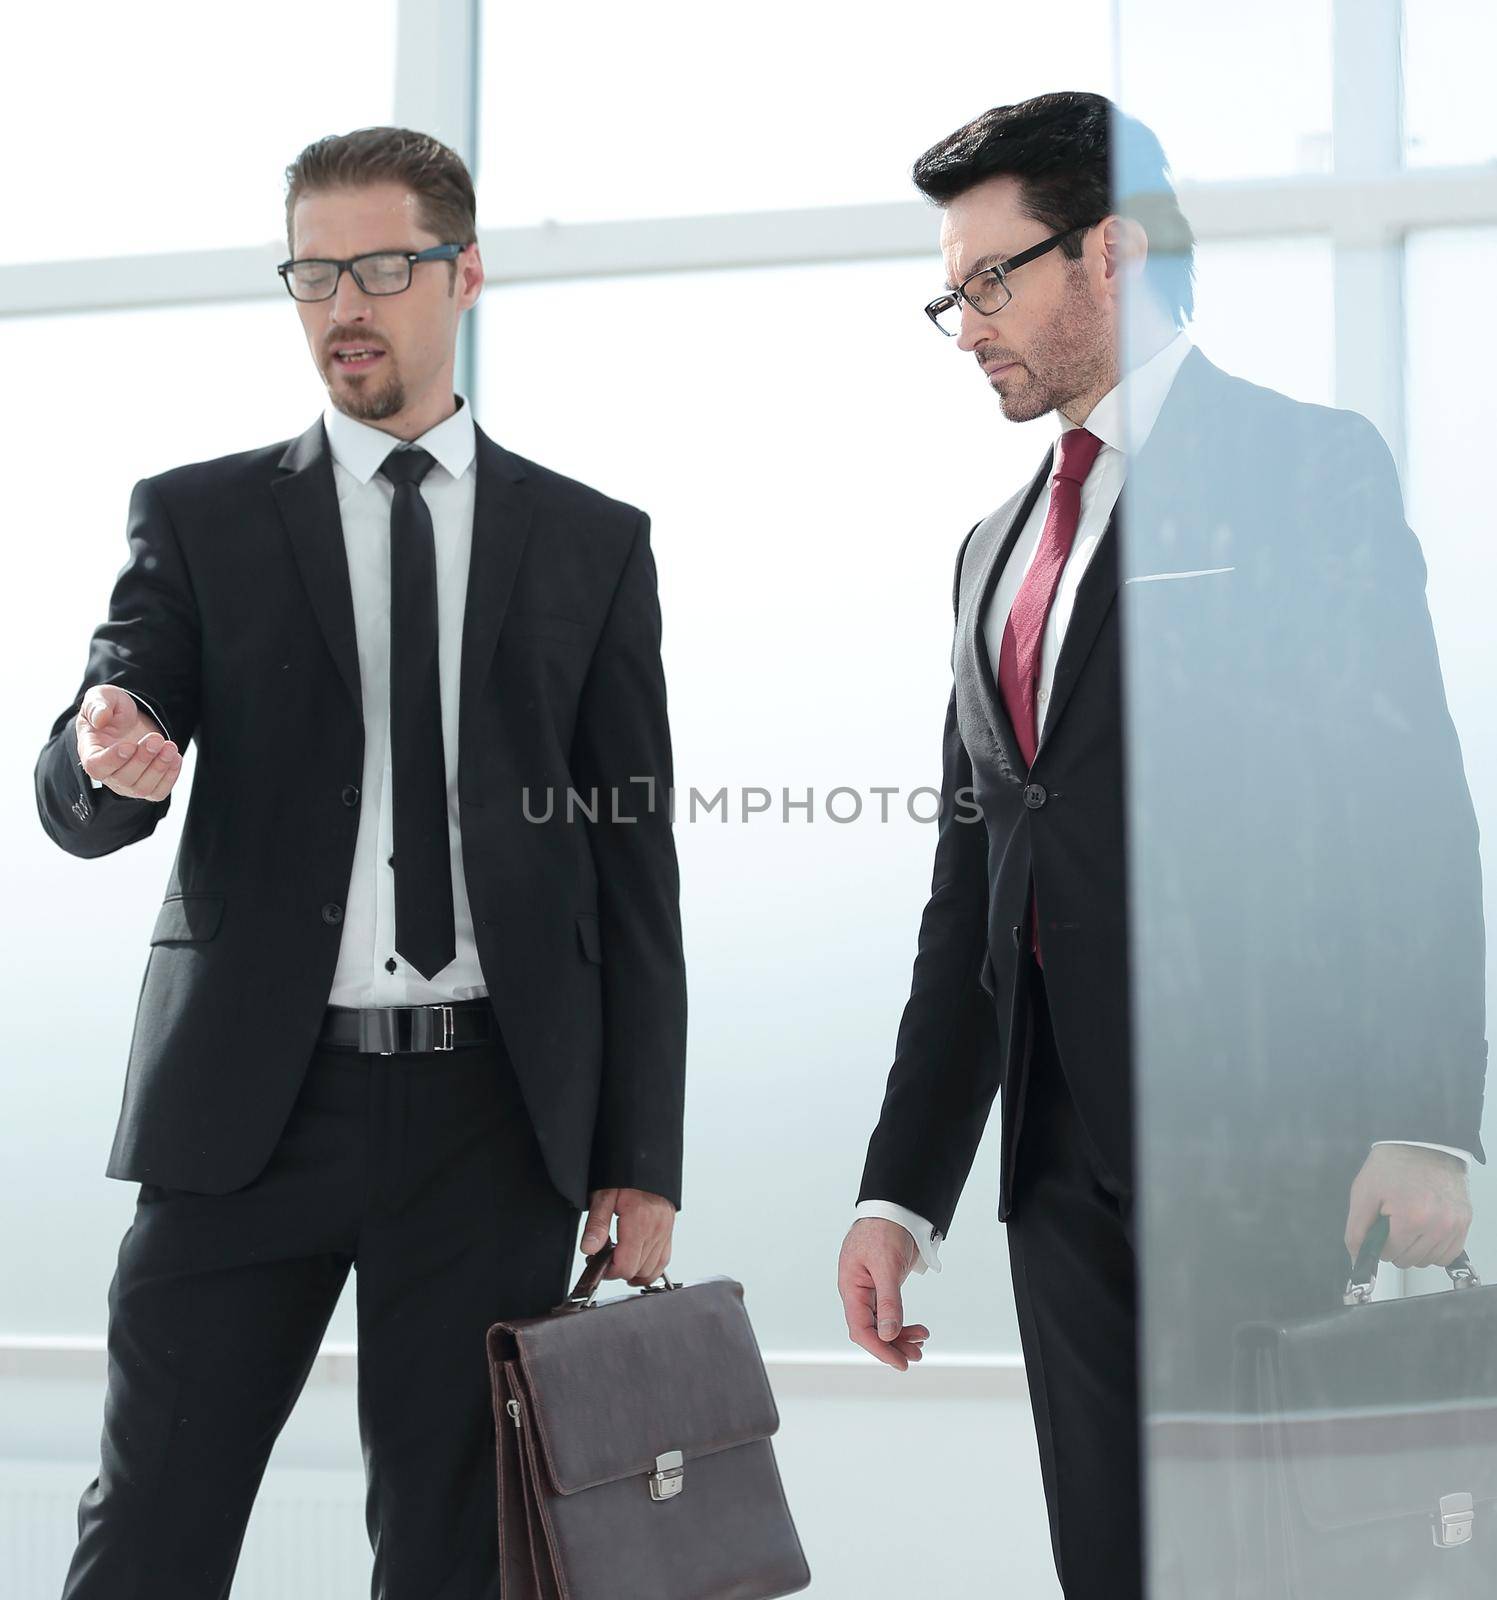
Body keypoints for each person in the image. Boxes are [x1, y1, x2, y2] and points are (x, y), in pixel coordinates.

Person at [836, 91, 1485, 1597]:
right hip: (1058, 1167)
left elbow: (1407, 813)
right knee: (1114, 1570)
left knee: (1297, 1565)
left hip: (1268, 1151)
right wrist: (899, 1189)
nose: (966, 324)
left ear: (1111, 250)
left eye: (991, 280)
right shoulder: (991, 550)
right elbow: (971, 894)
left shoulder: (1302, 468)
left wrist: (1422, 1116)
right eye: (949, 295)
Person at [34, 125, 687, 1599]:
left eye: (381, 267)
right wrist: (103, 750)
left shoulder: (592, 543)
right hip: (249, 1113)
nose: (345, 304)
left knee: (457, 1553)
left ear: (463, 275)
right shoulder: (199, 518)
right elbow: (108, 726)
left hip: (490, 1119)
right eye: (313, 271)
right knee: (152, 1527)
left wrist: (639, 1157)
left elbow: (631, 868)